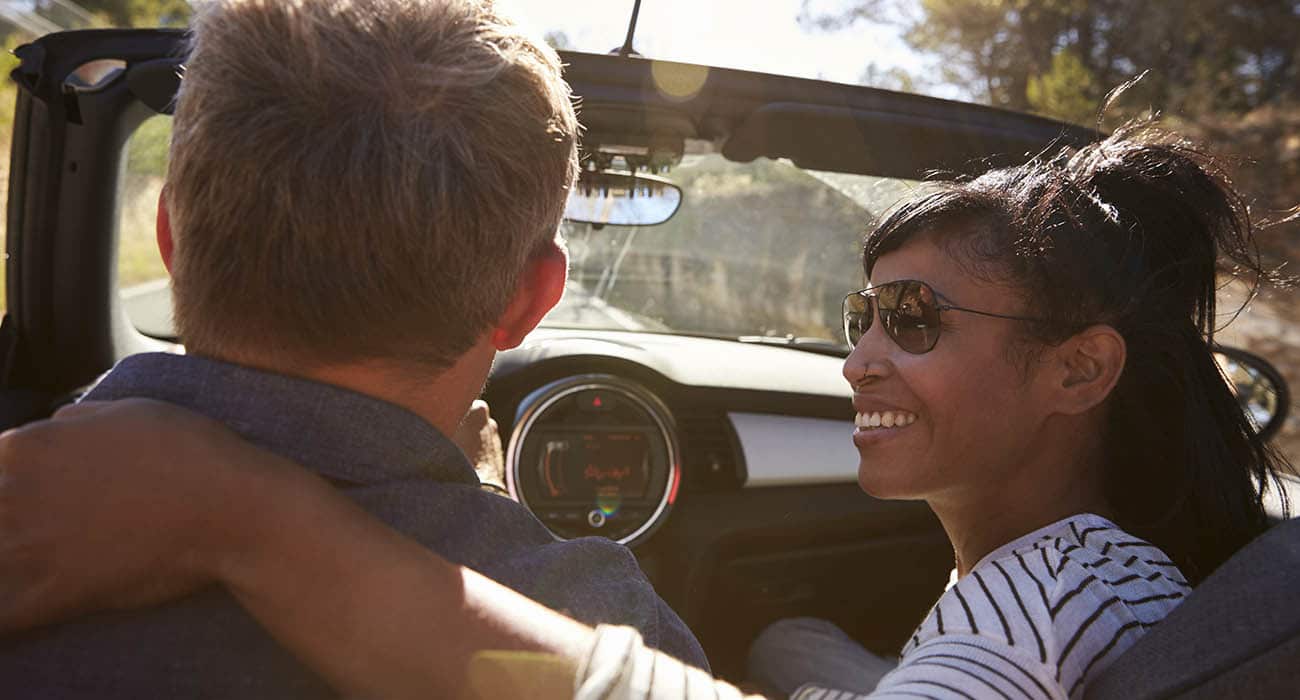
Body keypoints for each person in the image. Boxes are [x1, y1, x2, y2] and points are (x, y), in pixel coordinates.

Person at [0, 123, 1291, 699]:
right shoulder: (1090, 579)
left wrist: (250, 520)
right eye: (859, 316)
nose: (854, 364)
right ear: (529, 299)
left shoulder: (1043, 598)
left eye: (913, 320)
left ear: (1079, 371)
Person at [0, 0, 706, 697]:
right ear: (530, 301)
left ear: (171, 240)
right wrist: (483, 501)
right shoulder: (608, 625)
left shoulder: (24, 521)